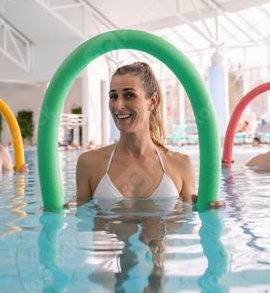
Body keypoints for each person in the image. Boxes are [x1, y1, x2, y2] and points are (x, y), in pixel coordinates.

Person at [76, 61, 224, 207]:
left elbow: (189, 222)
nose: (118, 105)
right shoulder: (89, 163)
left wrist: (209, 210)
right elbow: (80, 220)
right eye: (113, 96)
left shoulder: (181, 165)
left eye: (129, 95)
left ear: (152, 101)